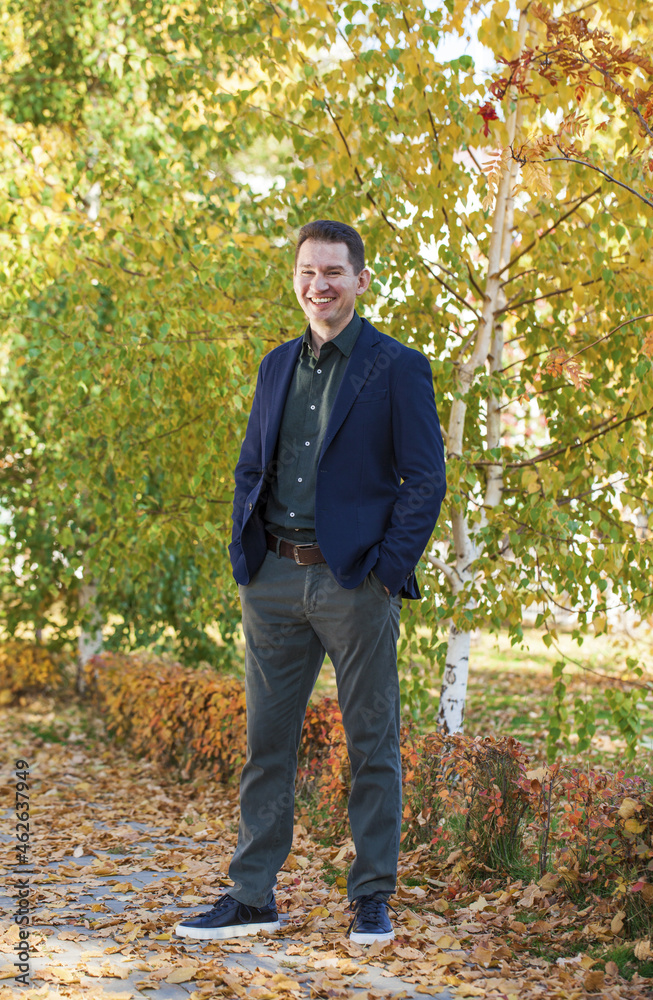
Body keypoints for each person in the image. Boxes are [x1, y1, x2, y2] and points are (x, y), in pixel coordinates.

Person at [175, 219, 446, 945]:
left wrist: (386, 573)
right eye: (305, 272)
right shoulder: (274, 365)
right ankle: (252, 896)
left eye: (332, 272)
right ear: (294, 279)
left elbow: (425, 480)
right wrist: (245, 556)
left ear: (359, 281)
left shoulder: (396, 368)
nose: (317, 285)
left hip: (353, 584)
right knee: (266, 745)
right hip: (270, 580)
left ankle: (371, 898)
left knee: (370, 744)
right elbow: (250, 465)